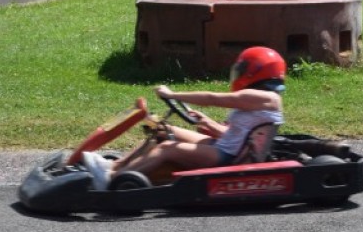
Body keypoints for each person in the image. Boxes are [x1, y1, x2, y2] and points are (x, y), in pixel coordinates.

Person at [82, 46, 286, 189]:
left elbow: (212, 98)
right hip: (226, 146)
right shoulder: (259, 101)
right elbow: (237, 135)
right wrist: (208, 123)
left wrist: (173, 95)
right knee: (162, 130)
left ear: (257, 72)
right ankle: (113, 166)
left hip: (230, 158)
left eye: (242, 70)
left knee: (166, 148)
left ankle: (111, 179)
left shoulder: (265, 98)